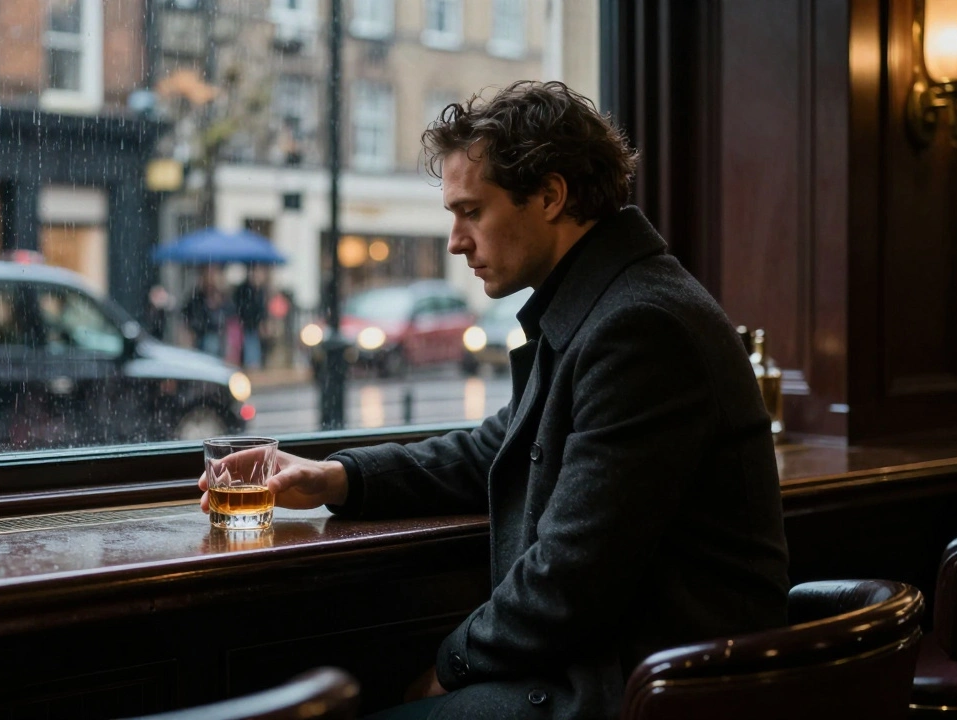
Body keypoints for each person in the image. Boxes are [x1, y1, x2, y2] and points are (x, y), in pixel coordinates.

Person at [199, 81, 790, 720]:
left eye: (472, 212)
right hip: (614, 668)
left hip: (643, 691)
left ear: (551, 196)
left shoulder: (638, 326)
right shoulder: (607, 303)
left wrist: (449, 668)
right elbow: (494, 449)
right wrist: (333, 478)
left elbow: (571, 580)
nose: (455, 241)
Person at [182, 266, 228, 356]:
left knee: (211, 347)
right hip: (198, 334)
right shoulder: (197, 297)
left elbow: (227, 315)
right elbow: (188, 312)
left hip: (213, 334)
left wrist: (218, 304)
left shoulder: (220, 297)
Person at [233, 265, 269, 369]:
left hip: (254, 329)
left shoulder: (261, 291)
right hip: (247, 328)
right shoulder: (244, 291)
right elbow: (244, 311)